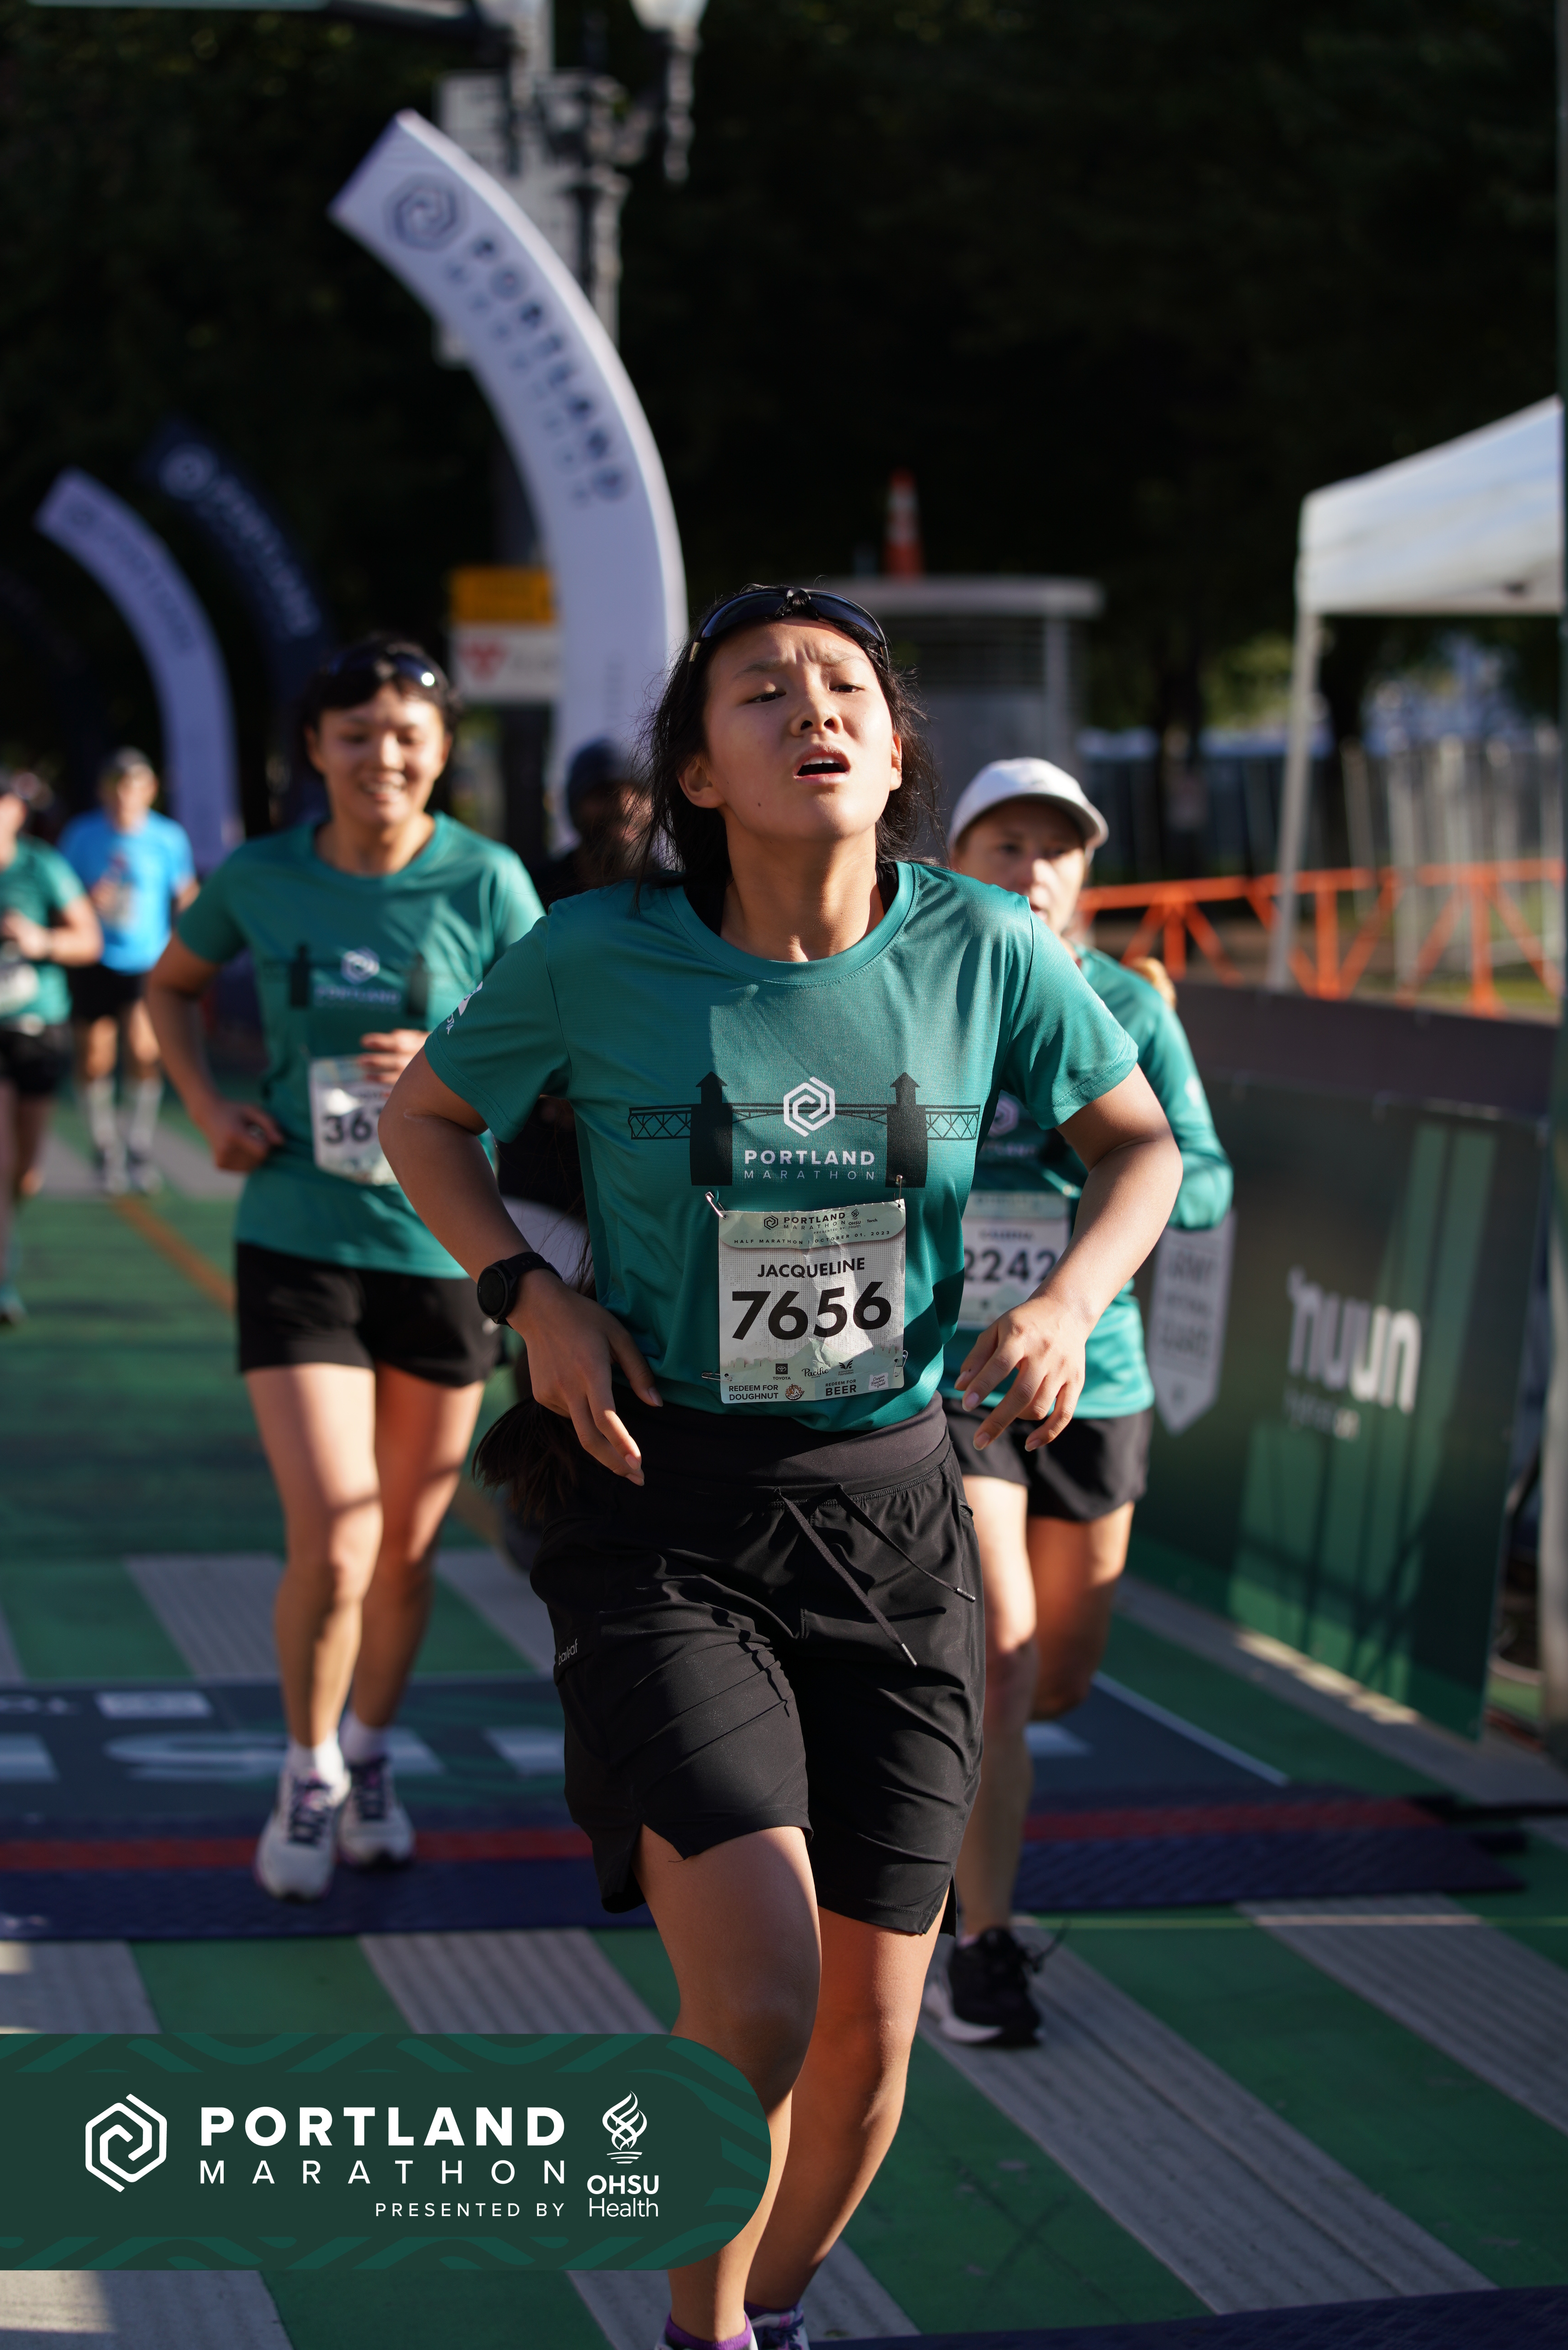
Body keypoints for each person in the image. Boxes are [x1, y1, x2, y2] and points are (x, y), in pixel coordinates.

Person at [380, 586, 1181, 2350]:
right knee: (756, 1990)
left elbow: (1136, 1146)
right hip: (661, 1504)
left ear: (892, 757)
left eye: (844, 690)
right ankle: (702, 2332)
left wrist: (1067, 1299)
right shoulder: (594, 950)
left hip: (895, 1511)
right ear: (695, 769)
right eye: (760, 690)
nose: (811, 709)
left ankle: (779, 2307)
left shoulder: (984, 944)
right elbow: (422, 1117)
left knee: (868, 2040)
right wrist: (528, 1291)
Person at [147, 636, 544, 1900]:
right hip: (298, 1237)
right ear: (315, 749)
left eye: (408, 735)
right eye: (357, 734)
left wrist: (448, 1055)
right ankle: (307, 1769)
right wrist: (206, 1105)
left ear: (443, 750)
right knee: (334, 1535)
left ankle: (369, 1752)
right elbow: (169, 989)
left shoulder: (488, 879)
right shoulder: (262, 875)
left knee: (407, 1554)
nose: (384, 756)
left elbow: (559, 1046)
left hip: (441, 1248)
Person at [937, 757, 1233, 2046]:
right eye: (1004, 845)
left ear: (1086, 875)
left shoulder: (1126, 1007)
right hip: (954, 1380)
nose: (1033, 871)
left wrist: (1102, 1163)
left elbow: (1203, 1183)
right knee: (998, 1668)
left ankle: (940, 1833)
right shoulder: (924, 990)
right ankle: (977, 1943)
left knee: (1054, 1679)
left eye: (1056, 850)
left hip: (1094, 1381)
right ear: (956, 864)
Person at [59, 748, 197, 1195]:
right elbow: (61, 895)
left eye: (134, 785)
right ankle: (104, 1147)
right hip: (94, 958)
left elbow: (186, 894)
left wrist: (191, 944)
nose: (125, 795)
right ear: (104, 790)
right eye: (117, 785)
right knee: (94, 1058)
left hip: (146, 961)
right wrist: (86, 901)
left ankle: (137, 1146)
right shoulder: (82, 834)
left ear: (150, 790)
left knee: (143, 1050)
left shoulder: (167, 838)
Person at [0, 775, 102, 1323]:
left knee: (23, 1171)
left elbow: (89, 940)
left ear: (17, 811)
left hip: (36, 1025)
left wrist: (40, 941)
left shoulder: (41, 867)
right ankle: (3, 1280)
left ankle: (9, 1231)